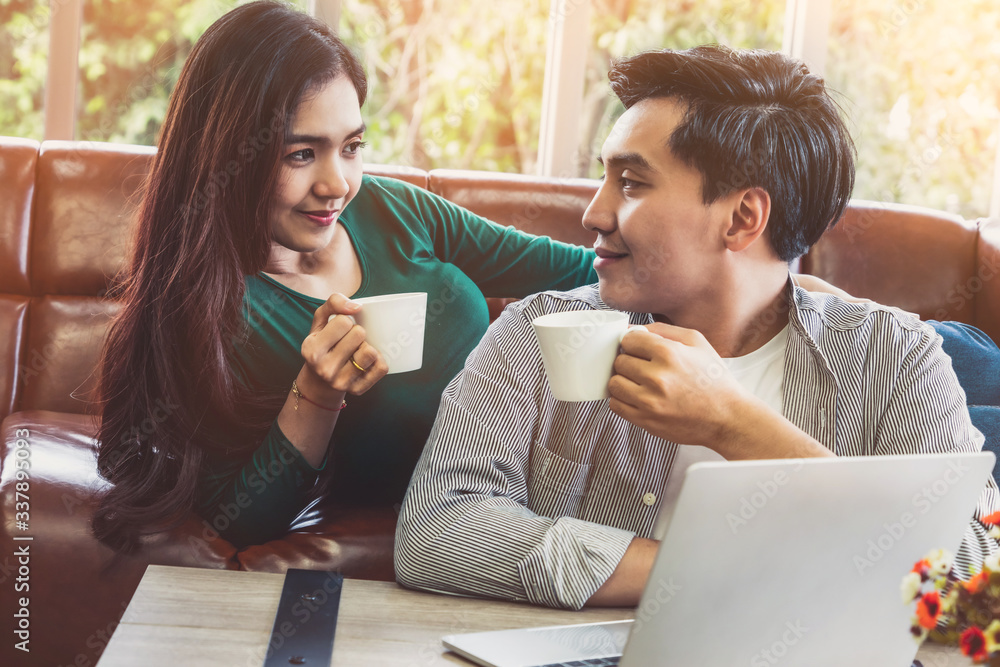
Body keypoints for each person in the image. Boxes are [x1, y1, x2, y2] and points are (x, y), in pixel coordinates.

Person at [394, 45, 1000, 610]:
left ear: (742, 218)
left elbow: (979, 586)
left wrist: (734, 425)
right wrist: (709, 575)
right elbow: (434, 532)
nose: (594, 212)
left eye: (630, 183)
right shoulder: (539, 331)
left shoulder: (894, 356)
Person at [91, 1, 600, 552]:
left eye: (352, 147)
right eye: (301, 154)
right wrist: (317, 393)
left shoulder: (394, 209)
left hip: (583, 459)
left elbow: (578, 269)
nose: (337, 184)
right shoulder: (210, 312)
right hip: (488, 521)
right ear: (224, 157)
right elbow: (240, 524)